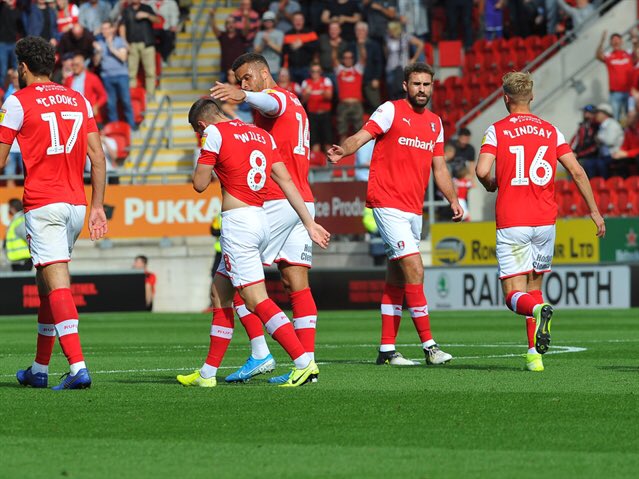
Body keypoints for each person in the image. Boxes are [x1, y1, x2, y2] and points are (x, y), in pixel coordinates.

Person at [177, 97, 329, 388]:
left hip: (238, 224)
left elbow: (199, 183)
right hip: (261, 218)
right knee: (219, 292)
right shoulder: (261, 134)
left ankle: (303, 363)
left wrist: (206, 153)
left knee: (255, 299)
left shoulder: (213, 134)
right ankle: (208, 374)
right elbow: (285, 180)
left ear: (201, 125)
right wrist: (309, 222)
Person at [327, 62, 462, 366]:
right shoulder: (390, 110)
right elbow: (363, 135)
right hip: (386, 203)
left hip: (414, 209)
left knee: (397, 279)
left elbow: (439, 166)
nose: (422, 90)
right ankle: (430, 346)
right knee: (415, 268)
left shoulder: (435, 123)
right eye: (416, 84)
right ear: (405, 85)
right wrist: (343, 151)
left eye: (427, 85)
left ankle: (387, 349)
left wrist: (452, 199)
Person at [475, 71, 605, 373]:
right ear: (531, 97)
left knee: (514, 296)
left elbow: (482, 171)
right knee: (535, 288)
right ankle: (534, 356)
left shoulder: (496, 131)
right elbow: (577, 171)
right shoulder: (551, 131)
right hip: (545, 221)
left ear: (505, 98)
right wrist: (595, 211)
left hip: (513, 220)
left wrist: (492, 183)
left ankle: (537, 314)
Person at [0, 35, 108, 389]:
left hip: (44, 203)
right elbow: (98, 157)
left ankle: (78, 367)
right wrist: (97, 208)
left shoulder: (17, 101)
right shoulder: (78, 99)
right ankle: (39, 368)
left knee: (56, 281)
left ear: (23, 67)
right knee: (45, 283)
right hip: (76, 204)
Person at [210, 53, 321, 384]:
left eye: (247, 77)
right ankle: (308, 364)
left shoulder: (277, 99)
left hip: (275, 199)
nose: (243, 84)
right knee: (295, 284)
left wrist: (242, 95)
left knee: (232, 282)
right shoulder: (294, 102)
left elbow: (269, 102)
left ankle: (261, 352)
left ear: (263, 73)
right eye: (239, 80)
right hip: (302, 200)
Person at [93, 20, 135, 128]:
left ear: (112, 29)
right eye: (103, 29)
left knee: (126, 101)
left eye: (106, 28)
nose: (104, 31)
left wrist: (111, 48)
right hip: (107, 76)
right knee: (111, 104)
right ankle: (115, 128)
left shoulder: (119, 41)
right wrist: (98, 52)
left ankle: (131, 126)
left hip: (121, 75)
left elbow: (123, 57)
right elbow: (96, 63)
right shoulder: (100, 43)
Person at [121, 0, 159, 97]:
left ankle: (150, 95)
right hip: (132, 44)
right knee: (131, 72)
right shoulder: (127, 10)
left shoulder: (146, 8)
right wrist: (124, 42)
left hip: (147, 44)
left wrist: (147, 15)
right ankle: (133, 96)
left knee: (150, 72)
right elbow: (122, 26)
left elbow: (157, 20)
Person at [596, 31, 637, 121]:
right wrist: (602, 41)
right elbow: (598, 55)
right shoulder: (609, 56)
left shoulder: (628, 53)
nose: (615, 42)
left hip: (629, 92)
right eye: (613, 40)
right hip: (615, 93)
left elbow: (636, 55)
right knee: (615, 118)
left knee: (631, 117)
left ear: (621, 41)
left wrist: (635, 38)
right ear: (610, 43)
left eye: (617, 40)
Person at [64, 52, 107, 121]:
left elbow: (103, 96)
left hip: (89, 114)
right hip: (74, 114)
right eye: (73, 65)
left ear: (83, 65)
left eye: (77, 65)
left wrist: (96, 106)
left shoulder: (92, 78)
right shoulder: (69, 79)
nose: (74, 67)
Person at [301, 62, 333, 155]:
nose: (315, 73)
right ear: (310, 72)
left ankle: (330, 164)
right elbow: (303, 101)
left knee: (328, 141)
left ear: (321, 72)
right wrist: (308, 93)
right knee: (314, 142)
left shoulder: (326, 80)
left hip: (325, 114)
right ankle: (317, 164)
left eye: (317, 71)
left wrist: (316, 91)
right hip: (312, 115)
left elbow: (329, 96)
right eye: (313, 71)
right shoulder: (306, 82)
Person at [335, 49, 365, 142]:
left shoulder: (358, 70)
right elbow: (333, 59)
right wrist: (334, 47)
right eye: (345, 58)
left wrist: (360, 45)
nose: (348, 59)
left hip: (356, 104)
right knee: (342, 132)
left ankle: (361, 156)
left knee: (359, 133)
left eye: (350, 57)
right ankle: (341, 156)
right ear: (342, 59)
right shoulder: (339, 70)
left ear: (353, 59)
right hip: (343, 105)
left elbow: (363, 58)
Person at [210, 9, 246, 83]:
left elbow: (247, 28)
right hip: (225, 70)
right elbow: (214, 29)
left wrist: (246, 17)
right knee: (222, 92)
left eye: (232, 22)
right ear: (225, 25)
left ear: (236, 24)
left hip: (239, 70)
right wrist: (212, 16)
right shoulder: (222, 36)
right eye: (228, 23)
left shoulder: (240, 35)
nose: (230, 25)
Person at [282, 12, 318, 84]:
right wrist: (291, 47)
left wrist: (302, 44)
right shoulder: (288, 34)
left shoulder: (310, 33)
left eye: (300, 20)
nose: (298, 22)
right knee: (293, 92)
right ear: (292, 21)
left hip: (307, 68)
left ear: (303, 21)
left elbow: (316, 47)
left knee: (306, 91)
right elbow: (284, 52)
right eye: (296, 20)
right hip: (292, 68)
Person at [3, 198, 32, 271]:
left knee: (22, 281)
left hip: (23, 260)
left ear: (12, 208)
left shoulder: (19, 220)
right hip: (19, 260)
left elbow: (28, 238)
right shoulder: (17, 220)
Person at [253, 11, 283, 77]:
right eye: (266, 21)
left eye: (270, 20)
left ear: (274, 22)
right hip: (262, 68)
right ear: (263, 22)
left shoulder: (279, 33)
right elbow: (255, 51)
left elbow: (279, 49)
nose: (268, 22)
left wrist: (268, 42)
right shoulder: (259, 34)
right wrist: (263, 43)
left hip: (275, 68)